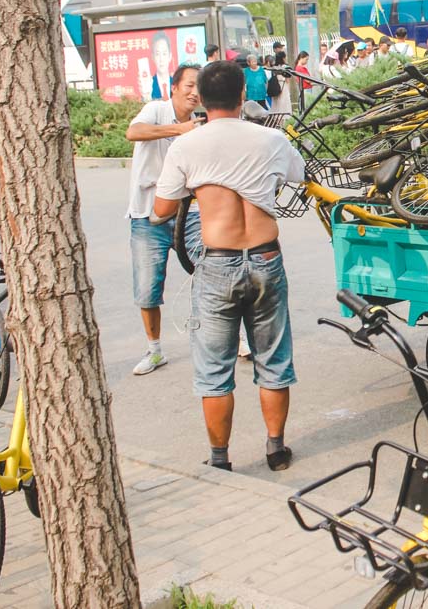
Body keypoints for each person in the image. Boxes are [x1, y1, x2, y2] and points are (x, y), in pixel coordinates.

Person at [153, 60, 305, 472]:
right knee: (272, 359)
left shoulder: (187, 146)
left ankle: (220, 460)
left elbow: (161, 209)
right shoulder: (270, 138)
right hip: (266, 256)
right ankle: (276, 448)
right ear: (243, 96)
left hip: (217, 263)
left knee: (214, 369)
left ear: (200, 99)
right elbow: (297, 175)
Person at [125, 64, 203, 376]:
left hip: (190, 213)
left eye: (200, 87)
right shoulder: (155, 110)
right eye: (189, 86)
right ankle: (155, 350)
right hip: (148, 214)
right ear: (174, 87)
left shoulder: (203, 122)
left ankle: (227, 337)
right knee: (147, 288)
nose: (195, 93)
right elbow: (134, 133)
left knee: (214, 270)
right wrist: (178, 130)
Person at [149, 33, 175, 100]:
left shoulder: (176, 84)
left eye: (164, 54)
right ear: (153, 57)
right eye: (157, 54)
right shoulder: (149, 85)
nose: (161, 59)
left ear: (170, 56)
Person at [269, 51, 292, 115]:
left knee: (276, 103)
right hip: (283, 86)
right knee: (284, 104)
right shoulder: (285, 67)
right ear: (283, 58)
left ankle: (275, 117)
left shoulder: (274, 67)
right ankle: (284, 118)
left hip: (275, 87)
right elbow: (287, 80)